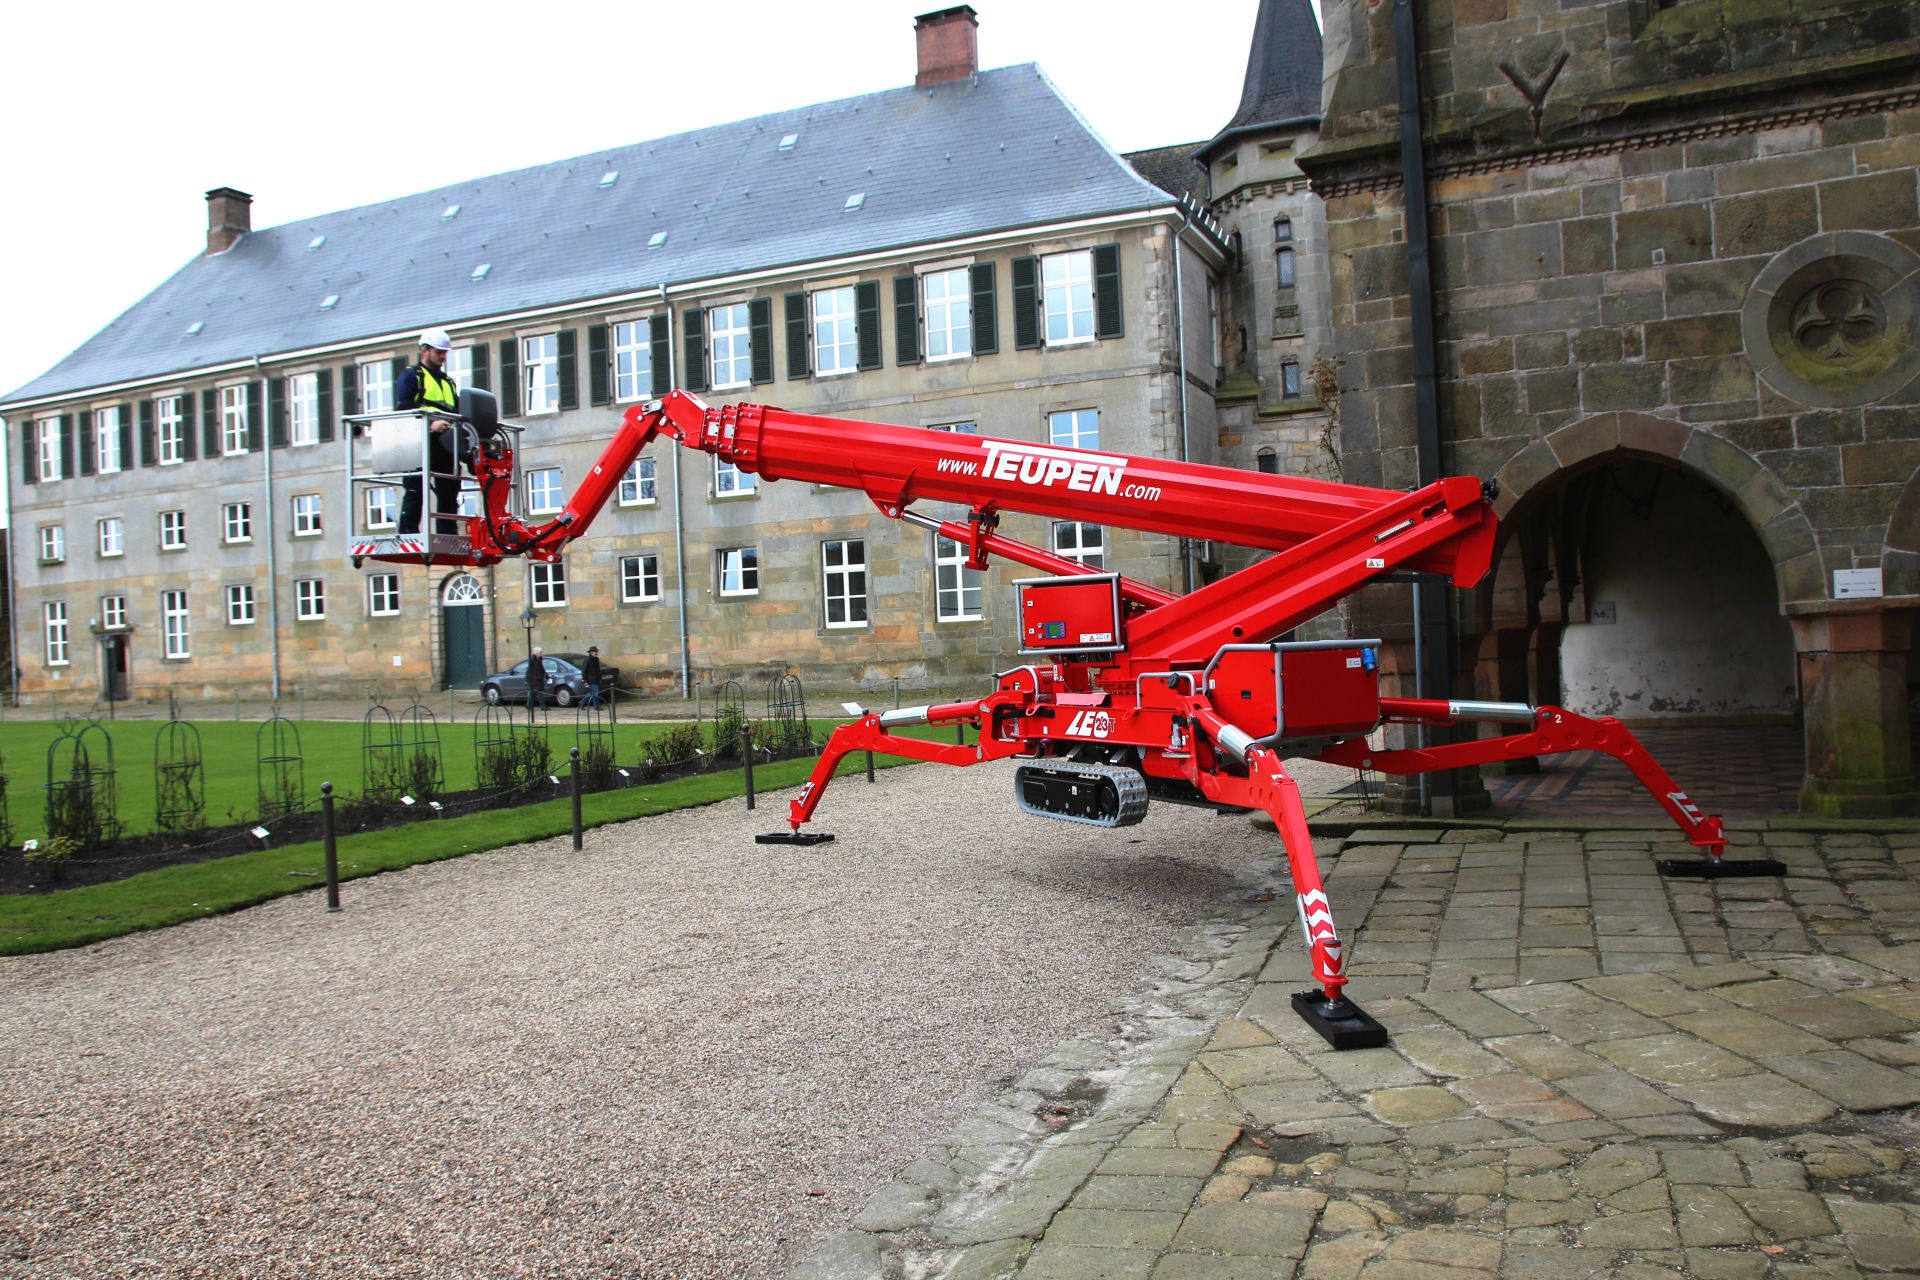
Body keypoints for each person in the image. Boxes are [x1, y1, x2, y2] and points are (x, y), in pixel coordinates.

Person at [396, 328, 462, 536]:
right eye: (438, 352)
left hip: (445, 443)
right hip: (419, 441)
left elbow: (457, 411)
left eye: (444, 352)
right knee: (415, 488)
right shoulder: (412, 376)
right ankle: (408, 533)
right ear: (424, 350)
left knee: (449, 488)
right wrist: (430, 425)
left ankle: (447, 533)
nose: (442, 357)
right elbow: (404, 408)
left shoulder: (448, 382)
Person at [524, 646, 548, 720]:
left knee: (532, 694)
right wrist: (527, 679)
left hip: (538, 679)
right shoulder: (532, 660)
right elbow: (529, 670)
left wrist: (546, 675)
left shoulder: (539, 660)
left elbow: (542, 669)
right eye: (540, 652)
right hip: (533, 680)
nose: (541, 654)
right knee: (538, 693)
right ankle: (542, 706)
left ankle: (528, 705)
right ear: (536, 653)